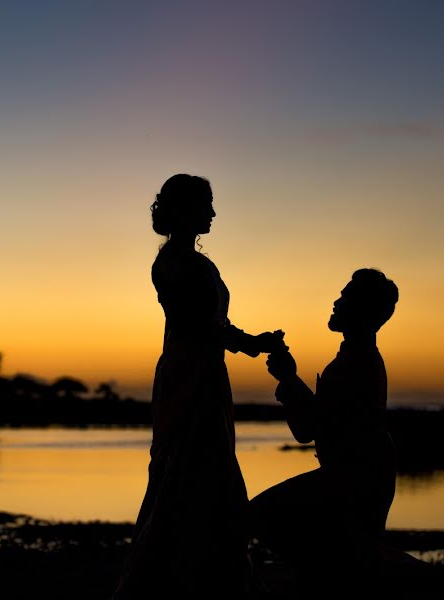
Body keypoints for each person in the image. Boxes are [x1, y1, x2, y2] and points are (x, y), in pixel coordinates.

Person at [113, 174, 285, 599]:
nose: (212, 213)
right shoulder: (172, 264)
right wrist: (250, 344)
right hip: (186, 376)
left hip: (207, 373)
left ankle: (213, 573)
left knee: (207, 469)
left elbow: (213, 326)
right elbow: (202, 326)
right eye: (205, 204)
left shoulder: (196, 263)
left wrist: (251, 342)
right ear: (184, 208)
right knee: (186, 468)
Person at [251, 268, 399, 593]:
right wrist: (289, 380)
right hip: (360, 475)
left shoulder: (354, 364)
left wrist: (288, 380)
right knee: (356, 556)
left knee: (262, 517)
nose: (335, 302)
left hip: (355, 478)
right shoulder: (356, 359)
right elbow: (320, 419)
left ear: (362, 311)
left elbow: (307, 428)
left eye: (345, 297)